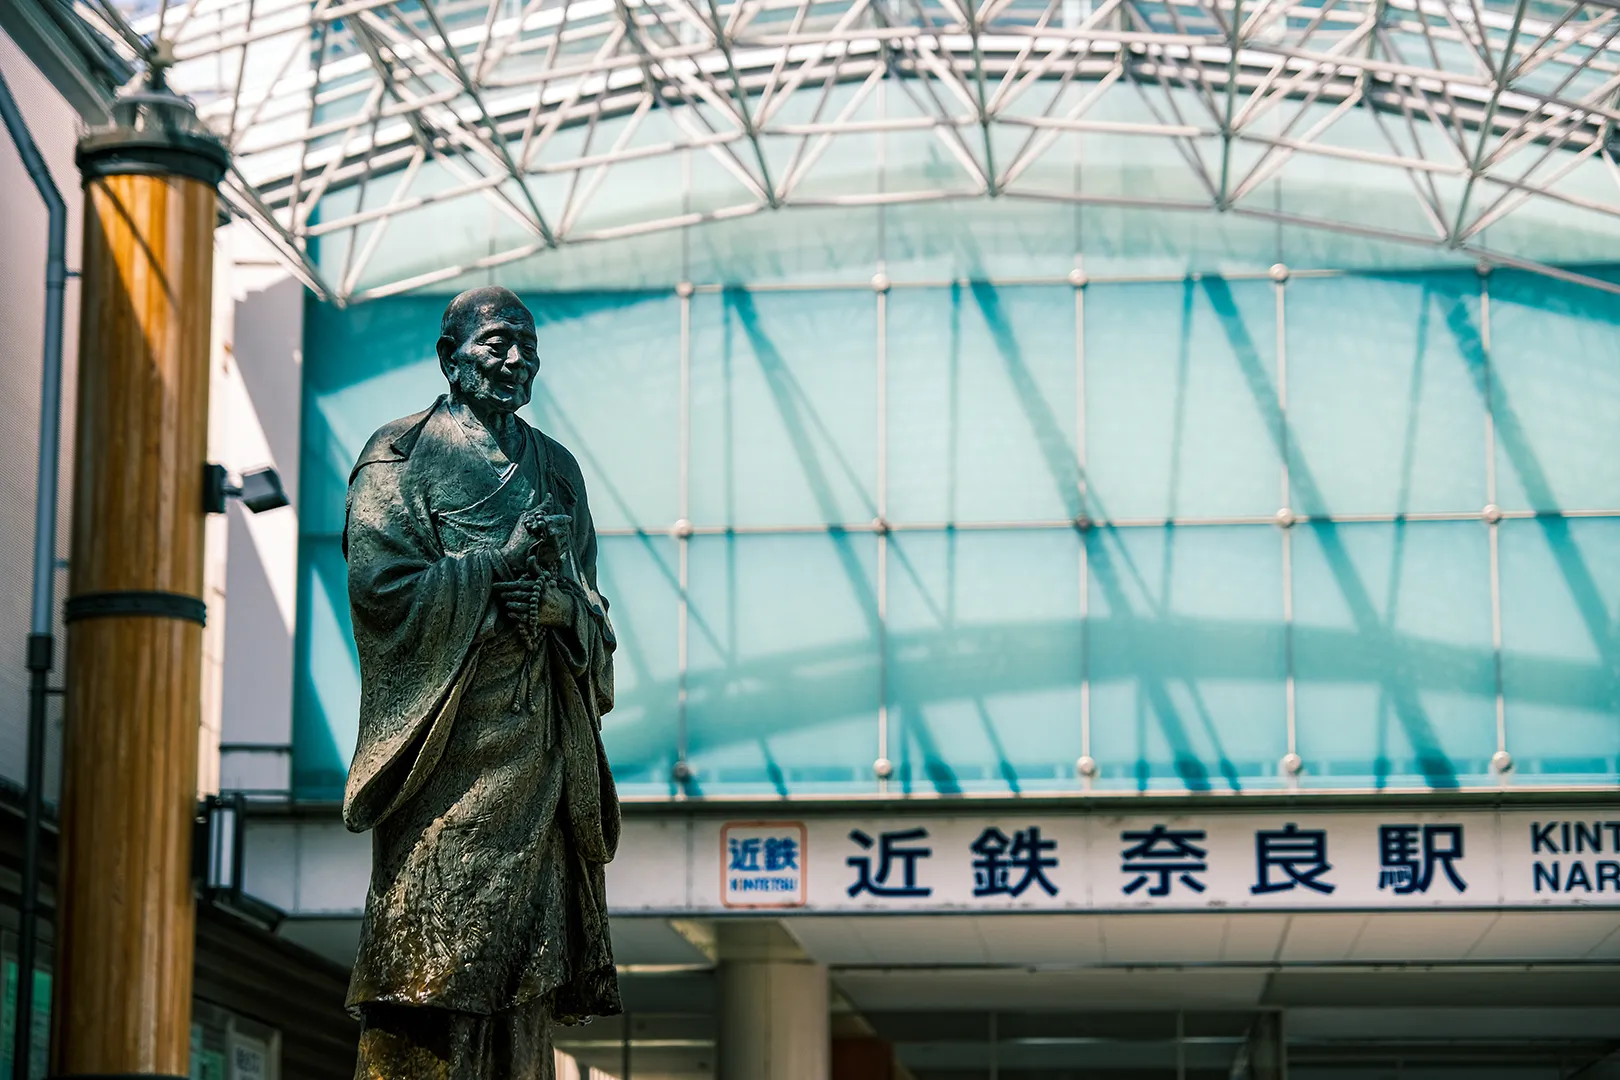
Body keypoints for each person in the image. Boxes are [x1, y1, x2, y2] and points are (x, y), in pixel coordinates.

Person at [341, 286, 620, 1078]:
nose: (514, 357)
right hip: (443, 756)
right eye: (497, 341)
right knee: (425, 969)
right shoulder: (400, 456)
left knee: (524, 987)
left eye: (528, 345)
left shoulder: (557, 472)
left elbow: (595, 614)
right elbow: (382, 590)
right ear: (449, 356)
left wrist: (561, 605)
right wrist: (496, 567)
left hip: (536, 757)